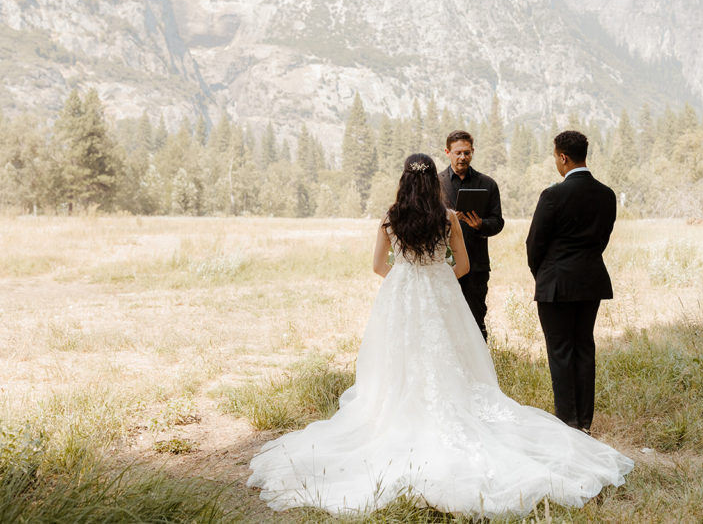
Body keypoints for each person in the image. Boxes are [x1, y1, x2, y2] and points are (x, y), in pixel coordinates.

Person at [247, 153, 632, 517]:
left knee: (399, 360)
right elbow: (462, 266)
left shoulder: (389, 219)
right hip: (440, 298)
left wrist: (407, 277)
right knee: (450, 358)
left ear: (403, 182)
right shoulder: (448, 218)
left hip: (401, 300)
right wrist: (435, 277)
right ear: (434, 182)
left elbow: (378, 265)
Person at [525, 131, 617, 434]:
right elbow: (601, 240)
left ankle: (568, 422)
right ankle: (585, 423)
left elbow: (534, 244)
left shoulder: (552, 195)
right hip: (590, 281)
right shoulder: (606, 195)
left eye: (555, 156)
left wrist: (544, 274)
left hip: (556, 285)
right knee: (584, 348)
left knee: (560, 351)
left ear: (563, 157)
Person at [438, 130, 504, 340]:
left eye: (467, 153)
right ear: (447, 152)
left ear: (473, 152)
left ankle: (479, 370)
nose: (462, 157)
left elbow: (498, 222)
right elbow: (423, 222)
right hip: (443, 265)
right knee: (445, 321)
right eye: (458, 153)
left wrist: (480, 225)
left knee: (476, 320)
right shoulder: (434, 183)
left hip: (476, 266)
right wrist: (446, 222)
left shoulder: (488, 184)